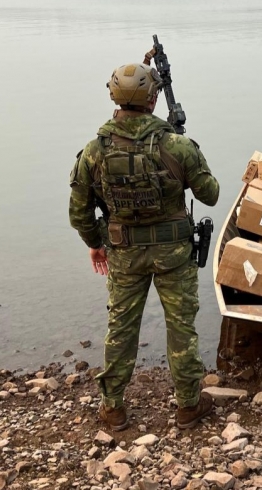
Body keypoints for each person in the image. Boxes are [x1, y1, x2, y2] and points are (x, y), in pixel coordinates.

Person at [69, 62, 219, 431]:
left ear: (113, 98)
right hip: (174, 254)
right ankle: (188, 405)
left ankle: (113, 408)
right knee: (181, 327)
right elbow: (210, 195)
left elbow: (79, 212)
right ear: (154, 100)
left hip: (123, 253)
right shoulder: (176, 146)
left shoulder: (94, 151)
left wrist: (94, 244)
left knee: (120, 327)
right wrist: (187, 155)